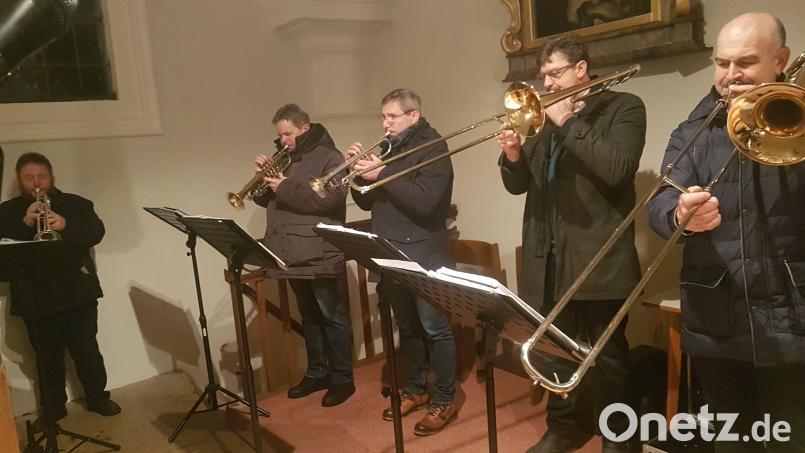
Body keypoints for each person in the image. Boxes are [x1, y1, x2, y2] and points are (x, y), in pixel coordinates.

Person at [648, 12, 805, 453]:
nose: (731, 76)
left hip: (793, 315)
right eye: (722, 63)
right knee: (732, 441)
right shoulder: (691, 131)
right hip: (718, 317)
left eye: (746, 63)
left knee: (792, 438)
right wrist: (679, 214)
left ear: (781, 60)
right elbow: (658, 202)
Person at [497, 36, 646, 453]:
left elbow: (616, 168)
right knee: (557, 353)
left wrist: (568, 123)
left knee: (609, 358)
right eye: (543, 75)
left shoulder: (624, 107)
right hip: (548, 257)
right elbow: (518, 186)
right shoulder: (541, 121)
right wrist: (512, 155)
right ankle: (564, 427)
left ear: (581, 69)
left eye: (554, 73)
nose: (545, 83)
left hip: (599, 257)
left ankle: (619, 438)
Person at [348, 88, 458, 436]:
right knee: (407, 328)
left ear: (413, 115)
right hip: (390, 250)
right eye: (383, 117)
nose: (385, 123)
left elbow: (426, 203)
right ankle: (416, 388)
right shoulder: (389, 148)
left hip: (425, 253)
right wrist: (355, 176)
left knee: (435, 329)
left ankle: (444, 398)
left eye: (391, 117)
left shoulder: (433, 148)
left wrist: (381, 175)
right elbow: (366, 203)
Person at [0, 152, 120, 423]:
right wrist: (26, 223)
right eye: (29, 177)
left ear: (52, 176)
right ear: (19, 180)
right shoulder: (7, 212)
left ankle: (98, 397)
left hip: (77, 291)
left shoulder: (75, 204)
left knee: (86, 349)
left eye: (41, 176)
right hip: (34, 295)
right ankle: (53, 407)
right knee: (46, 356)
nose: (36, 182)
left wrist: (65, 224)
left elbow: (96, 232)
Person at [252, 103, 355, 407]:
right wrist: (263, 180)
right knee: (309, 315)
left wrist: (283, 186)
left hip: (319, 250)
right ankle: (317, 372)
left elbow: (329, 200)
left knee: (332, 316)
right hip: (290, 250)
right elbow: (267, 202)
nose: (283, 140)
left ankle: (342, 379)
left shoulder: (330, 157)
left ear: (304, 129)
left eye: (288, 134)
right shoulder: (284, 158)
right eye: (280, 135)